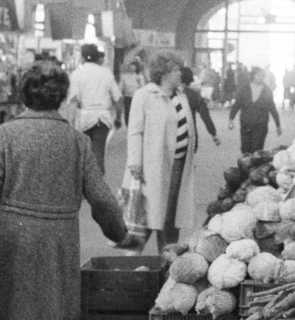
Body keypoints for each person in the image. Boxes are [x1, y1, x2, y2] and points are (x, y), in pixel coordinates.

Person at [0, 61, 128, 320]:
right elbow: (101, 196)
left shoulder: (4, 135)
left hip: (9, 234)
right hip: (57, 237)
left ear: (22, 94)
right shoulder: (76, 141)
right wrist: (118, 232)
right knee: (53, 314)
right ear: (62, 97)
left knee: (6, 308)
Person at [125, 51, 202, 252]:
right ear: (164, 72)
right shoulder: (144, 95)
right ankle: (129, 261)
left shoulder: (180, 96)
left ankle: (167, 261)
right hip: (151, 166)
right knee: (146, 214)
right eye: (176, 69)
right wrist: (135, 162)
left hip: (178, 164)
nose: (181, 73)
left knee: (170, 215)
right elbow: (135, 131)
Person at [67, 43, 120, 174]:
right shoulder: (106, 73)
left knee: (83, 154)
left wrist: (70, 121)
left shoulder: (77, 74)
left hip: (83, 119)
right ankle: (98, 184)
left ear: (82, 57)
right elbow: (119, 98)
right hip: (103, 119)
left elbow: (73, 100)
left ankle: (84, 185)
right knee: (98, 152)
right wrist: (118, 117)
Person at [228, 66, 282, 154]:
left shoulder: (267, 91)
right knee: (245, 148)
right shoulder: (244, 89)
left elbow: (272, 108)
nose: (261, 77)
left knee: (256, 148)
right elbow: (236, 105)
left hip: (260, 124)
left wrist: (278, 125)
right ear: (253, 76)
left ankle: (254, 166)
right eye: (258, 75)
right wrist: (231, 119)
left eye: (262, 76)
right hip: (246, 124)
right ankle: (246, 164)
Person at [181, 66, 221, 147]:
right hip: (190, 136)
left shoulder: (170, 95)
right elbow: (205, 116)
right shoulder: (195, 96)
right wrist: (213, 134)